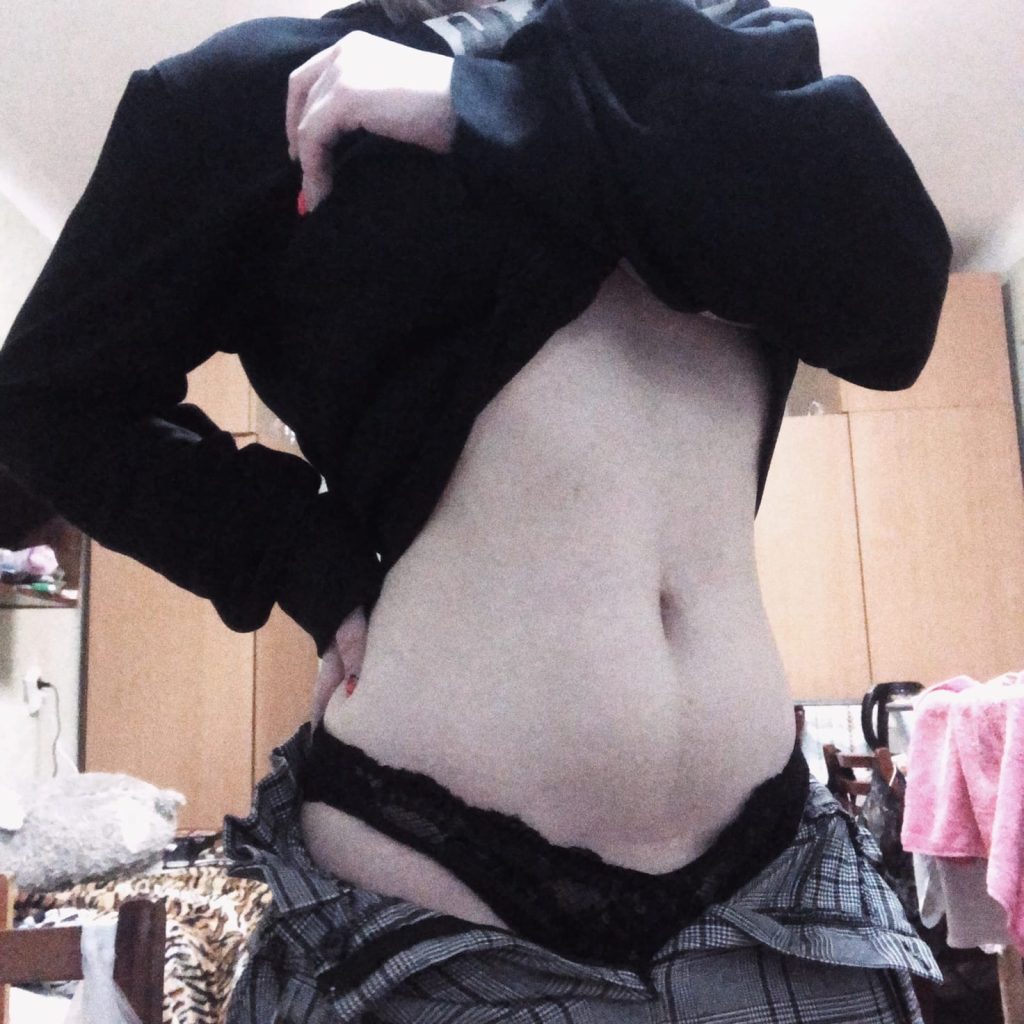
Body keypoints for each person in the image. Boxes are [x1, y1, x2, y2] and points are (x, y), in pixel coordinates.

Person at [0, 0, 951, 1019]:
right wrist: (299, 556)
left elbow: (892, 300)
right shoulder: (258, 91)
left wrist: (474, 108)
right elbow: (49, 400)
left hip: (776, 886)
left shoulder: (719, 48)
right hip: (433, 880)